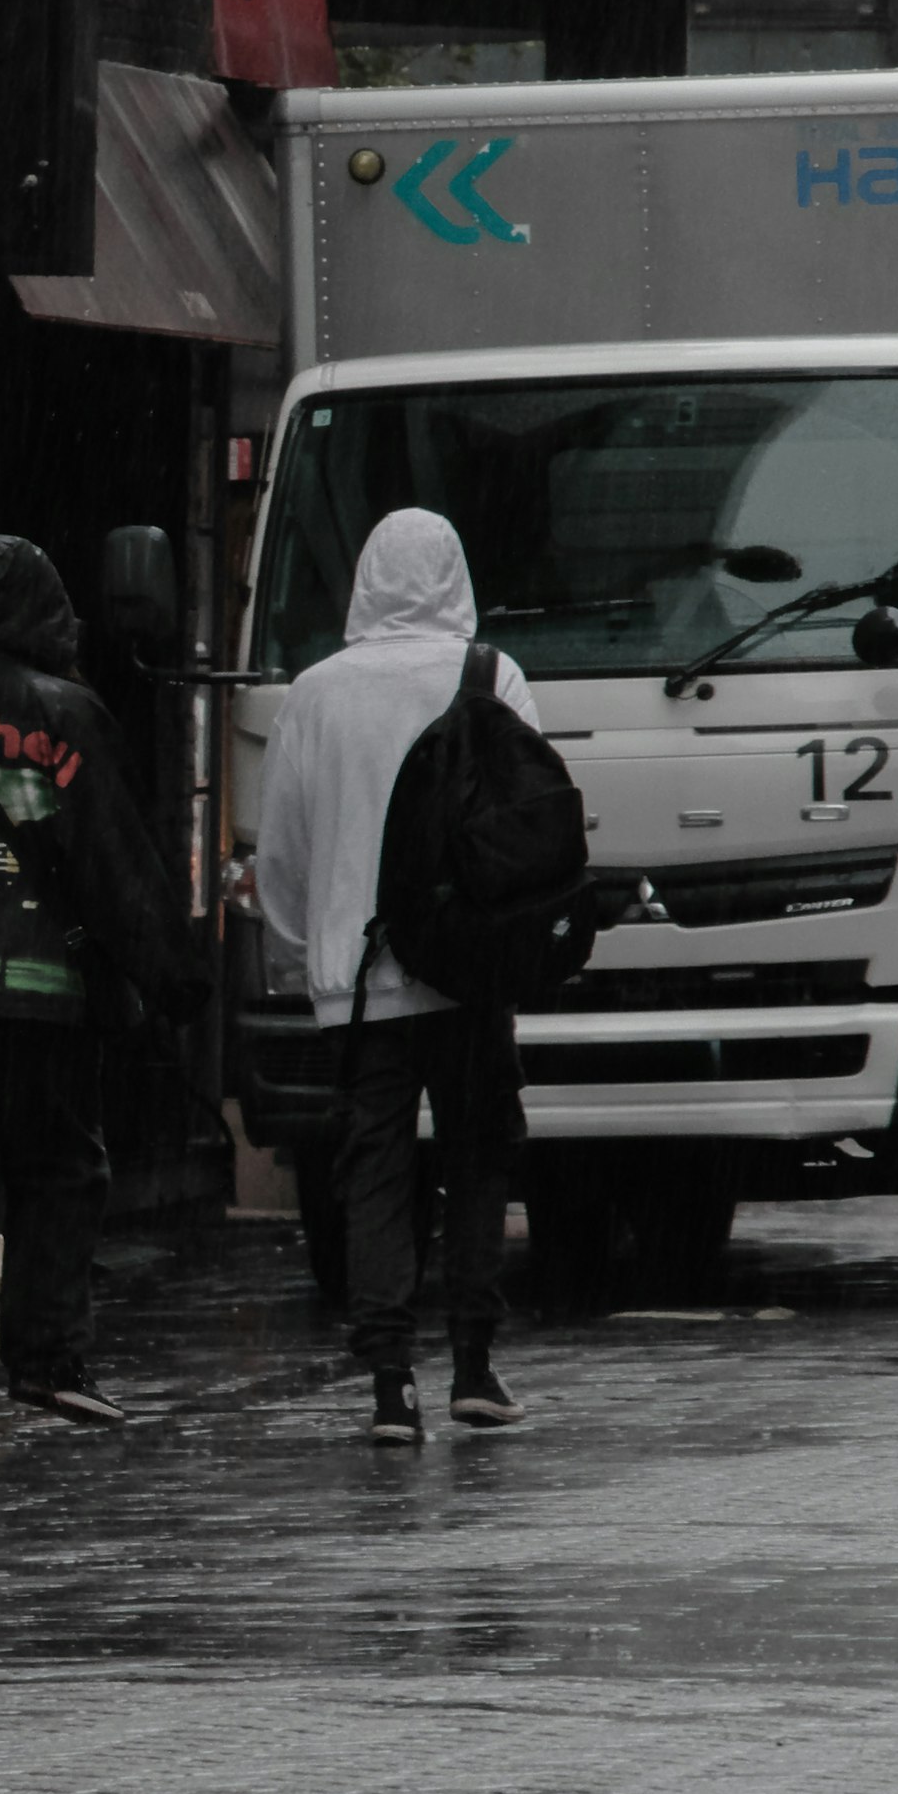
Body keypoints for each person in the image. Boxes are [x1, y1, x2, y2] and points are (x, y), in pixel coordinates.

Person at [0, 534, 206, 1442]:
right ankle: (47, 1361)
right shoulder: (68, 715)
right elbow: (114, 868)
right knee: (60, 1170)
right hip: (39, 1000)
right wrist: (175, 982)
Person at [257, 508, 536, 1446]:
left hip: (357, 980)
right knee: (475, 1157)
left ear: (367, 579)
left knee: (372, 1171)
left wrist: (305, 957)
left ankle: (388, 1385)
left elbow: (283, 853)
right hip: (467, 969)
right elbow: (533, 825)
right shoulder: (492, 675)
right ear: (454, 575)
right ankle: (474, 1365)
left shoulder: (315, 694)